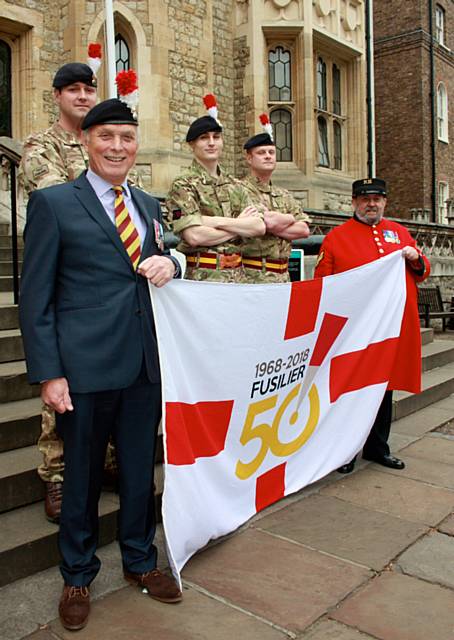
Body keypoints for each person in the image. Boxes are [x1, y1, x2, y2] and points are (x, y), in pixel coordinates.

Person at [19, 96, 182, 631]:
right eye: (106, 137)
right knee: (83, 480)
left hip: (142, 365)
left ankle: (139, 559)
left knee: (139, 473)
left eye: (127, 137)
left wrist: (173, 261)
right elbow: (35, 297)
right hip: (82, 371)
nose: (117, 147)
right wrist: (49, 373)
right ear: (86, 142)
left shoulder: (150, 206)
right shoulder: (54, 203)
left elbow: (167, 255)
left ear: (137, 145)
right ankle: (77, 573)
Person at [18, 60, 119, 523]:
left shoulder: (101, 143)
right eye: (72, 89)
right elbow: (61, 203)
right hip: (62, 276)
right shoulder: (42, 146)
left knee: (110, 373)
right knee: (62, 377)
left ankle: (107, 459)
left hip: (106, 278)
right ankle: (57, 475)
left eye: (88, 89)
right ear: (57, 96)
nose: (82, 96)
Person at [314, 177, 430, 473]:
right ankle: (346, 452)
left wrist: (416, 258)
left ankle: (378, 447)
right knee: (353, 390)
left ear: (385, 202)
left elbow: (422, 270)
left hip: (392, 327)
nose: (371, 204)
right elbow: (323, 284)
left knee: (384, 389)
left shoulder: (399, 232)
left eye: (377, 199)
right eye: (365, 199)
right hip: (358, 329)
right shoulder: (337, 238)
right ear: (354, 202)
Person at [165, 96, 265, 281]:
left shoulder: (236, 185)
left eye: (216, 137)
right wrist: (239, 225)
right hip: (204, 278)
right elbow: (194, 236)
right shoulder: (183, 185)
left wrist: (208, 221)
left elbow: (258, 226)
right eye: (204, 138)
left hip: (239, 278)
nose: (211, 142)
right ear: (192, 145)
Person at [241, 127, 310, 282]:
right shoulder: (239, 190)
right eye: (261, 153)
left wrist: (282, 219)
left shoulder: (284, 195)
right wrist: (290, 219)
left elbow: (304, 230)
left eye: (271, 153)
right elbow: (266, 223)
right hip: (252, 276)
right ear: (249, 158)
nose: (268, 156)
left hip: (283, 276)